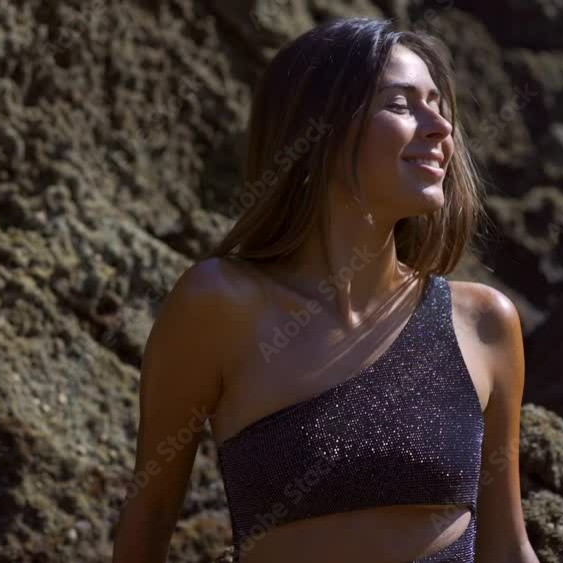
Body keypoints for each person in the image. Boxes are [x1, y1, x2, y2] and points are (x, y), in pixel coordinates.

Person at [112, 17, 539, 563]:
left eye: (439, 103)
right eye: (402, 104)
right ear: (319, 130)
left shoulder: (482, 322)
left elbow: (508, 546)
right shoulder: (219, 304)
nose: (440, 127)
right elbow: (149, 518)